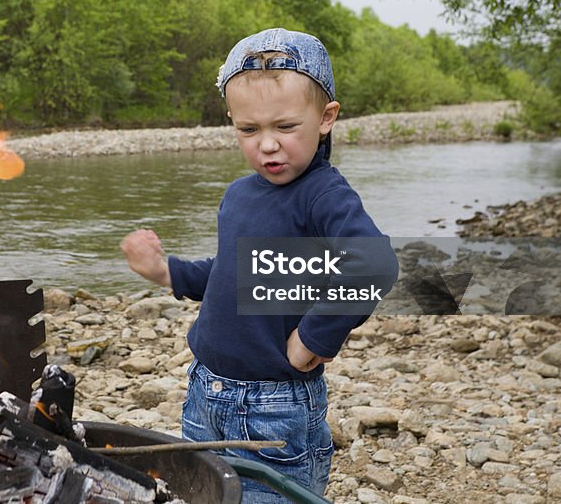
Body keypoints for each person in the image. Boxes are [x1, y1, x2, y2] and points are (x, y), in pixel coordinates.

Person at [121, 28, 399, 502]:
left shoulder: (322, 195)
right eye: (249, 130)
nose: (266, 145)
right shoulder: (239, 195)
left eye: (285, 127)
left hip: (275, 405)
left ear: (325, 118)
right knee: (205, 495)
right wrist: (165, 270)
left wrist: (316, 335)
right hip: (204, 391)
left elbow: (373, 264)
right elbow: (230, 273)